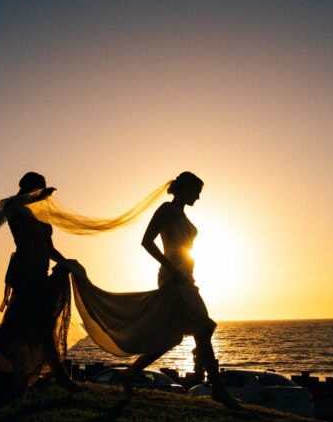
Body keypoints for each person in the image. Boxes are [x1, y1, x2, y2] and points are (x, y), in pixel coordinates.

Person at [70, 172, 239, 409]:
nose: (198, 197)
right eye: (195, 191)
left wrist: (186, 273)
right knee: (203, 327)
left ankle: (131, 373)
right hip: (174, 278)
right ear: (183, 189)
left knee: (171, 335)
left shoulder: (181, 214)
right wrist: (172, 268)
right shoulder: (166, 210)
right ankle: (219, 390)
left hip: (186, 278)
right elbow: (147, 241)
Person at [0, 172, 80, 391]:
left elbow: (49, 250)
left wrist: (66, 261)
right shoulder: (15, 207)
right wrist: (35, 195)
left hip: (39, 271)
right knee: (42, 323)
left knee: (17, 323)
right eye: (40, 189)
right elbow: (12, 206)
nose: (44, 195)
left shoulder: (41, 215)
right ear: (29, 189)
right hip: (24, 272)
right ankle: (60, 375)